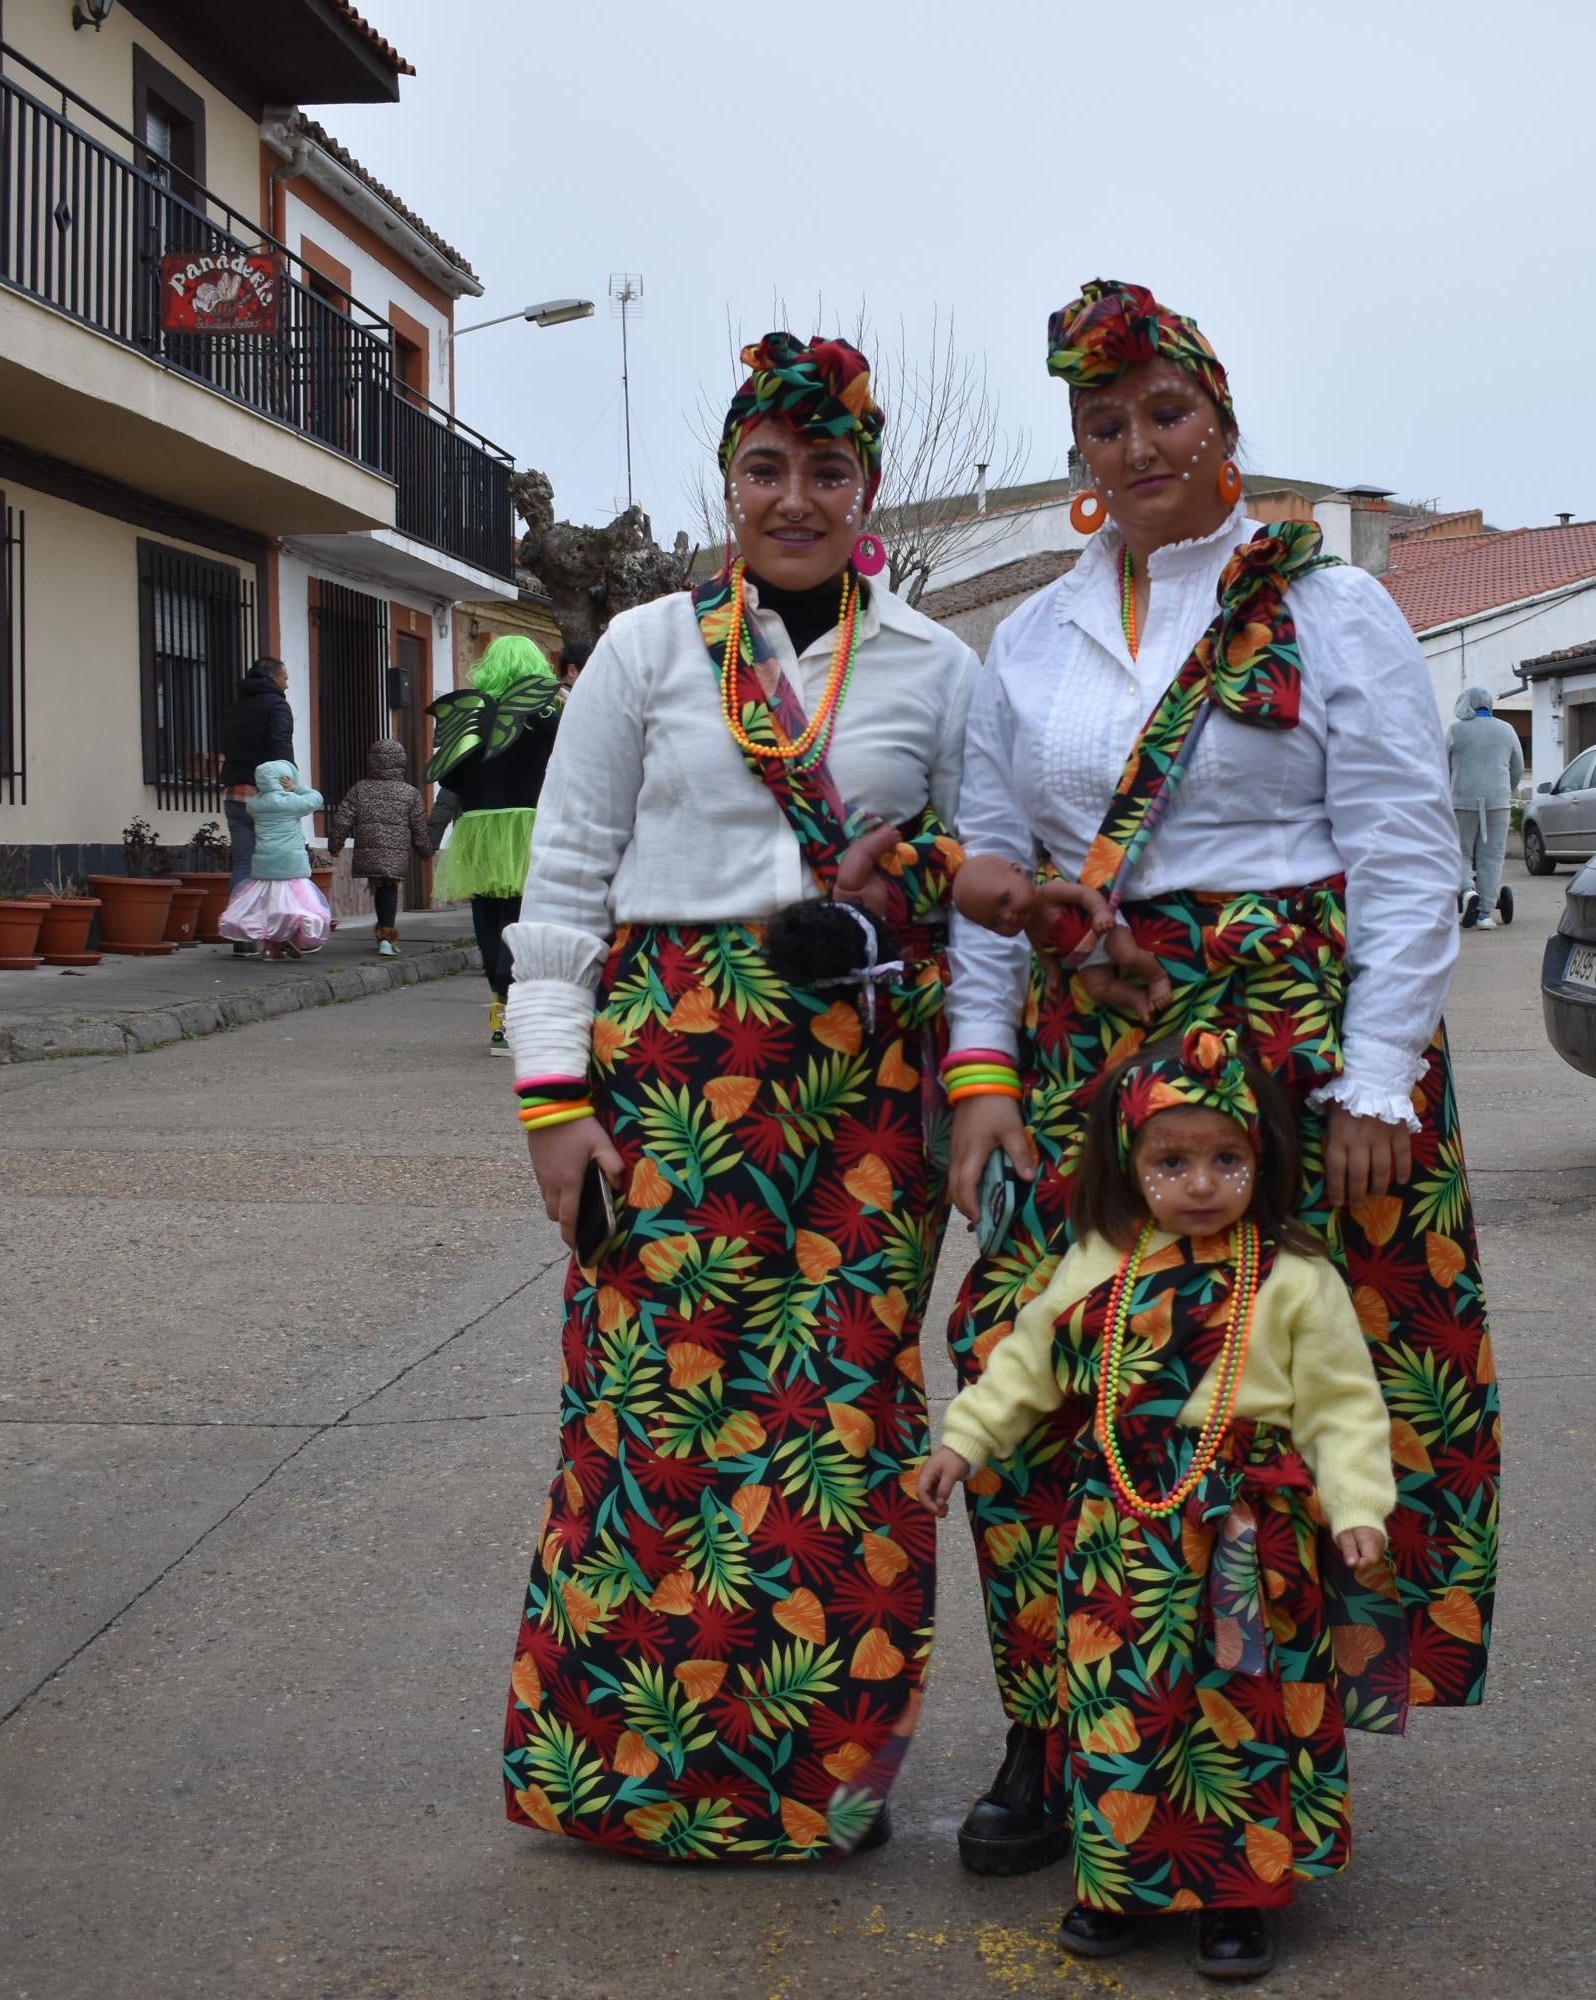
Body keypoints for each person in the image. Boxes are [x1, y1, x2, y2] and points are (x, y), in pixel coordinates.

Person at [943, 280, 1498, 1879]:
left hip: (1291, 1046)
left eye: (1165, 415)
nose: (1140, 448)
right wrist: (982, 1076)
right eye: (1105, 427)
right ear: (1081, 456)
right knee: (1037, 1363)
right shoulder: (1034, 634)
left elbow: (1403, 849)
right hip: (1087, 1056)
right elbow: (1005, 873)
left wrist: (1379, 1080)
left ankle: (1261, 1745)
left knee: (1284, 1392)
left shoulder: (1335, 614)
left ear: (1225, 424)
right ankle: (1055, 1729)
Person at [497, 333, 974, 1862]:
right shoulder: (646, 649)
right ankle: (625, 1781)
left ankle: (817, 1782)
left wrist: (975, 1073)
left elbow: (979, 886)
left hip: (856, 1097)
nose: (793, 496)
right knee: (655, 1431)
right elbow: (563, 882)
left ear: (866, 487)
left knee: (838, 1430)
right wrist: (551, 1101)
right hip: (669, 1084)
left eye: (825, 469)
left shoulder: (934, 667)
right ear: (728, 481)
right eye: (765, 468)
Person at [920, 1030, 1391, 1980]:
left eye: (1228, 1159)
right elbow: (1027, 1362)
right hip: (1119, 1539)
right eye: (1171, 1162)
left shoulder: (1295, 1278)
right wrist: (966, 1440)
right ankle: (1115, 1881)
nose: (1202, 1183)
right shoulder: (1098, 1264)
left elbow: (1344, 1406)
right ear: (1129, 1169)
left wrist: (1357, 1507)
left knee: (1236, 1715)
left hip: (1245, 1544)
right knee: (1116, 1709)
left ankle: (1235, 1898)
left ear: (1263, 1161)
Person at [425, 634, 565, 1054]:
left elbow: (449, 778)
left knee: (486, 919)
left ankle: (500, 1014)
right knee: (523, 918)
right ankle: (520, 1011)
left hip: (479, 828)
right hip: (531, 825)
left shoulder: (470, 714)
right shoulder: (546, 714)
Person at [326, 736, 431, 959]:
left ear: (372, 761)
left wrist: (335, 844)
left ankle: (384, 935)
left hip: (369, 849)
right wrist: (425, 851)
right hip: (395, 852)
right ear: (401, 762)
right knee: (388, 888)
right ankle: (386, 938)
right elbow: (419, 827)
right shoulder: (409, 793)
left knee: (380, 887)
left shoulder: (360, 789)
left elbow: (343, 818)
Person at [220, 656, 295, 959]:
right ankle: (279, 934)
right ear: (274, 677)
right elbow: (281, 745)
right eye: (286, 677)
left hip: (235, 793)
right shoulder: (276, 706)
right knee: (277, 865)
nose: (288, 683)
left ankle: (242, 935)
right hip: (266, 797)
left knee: (242, 864)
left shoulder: (236, 707)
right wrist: (290, 782)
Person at [219, 759, 331, 960]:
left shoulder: (255, 804)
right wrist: (297, 789)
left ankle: (271, 948)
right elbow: (316, 799)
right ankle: (292, 939)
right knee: (295, 907)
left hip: (265, 866)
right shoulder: (291, 802)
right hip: (290, 865)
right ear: (284, 780)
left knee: (269, 908)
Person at [1447, 684, 1522, 929]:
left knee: (1461, 852)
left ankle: (1467, 891)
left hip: (1463, 801)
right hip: (1497, 802)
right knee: (1491, 856)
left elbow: (1440, 765)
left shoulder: (1455, 731)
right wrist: (1504, 791)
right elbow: (1517, 767)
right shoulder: (1507, 730)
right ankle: (1485, 914)